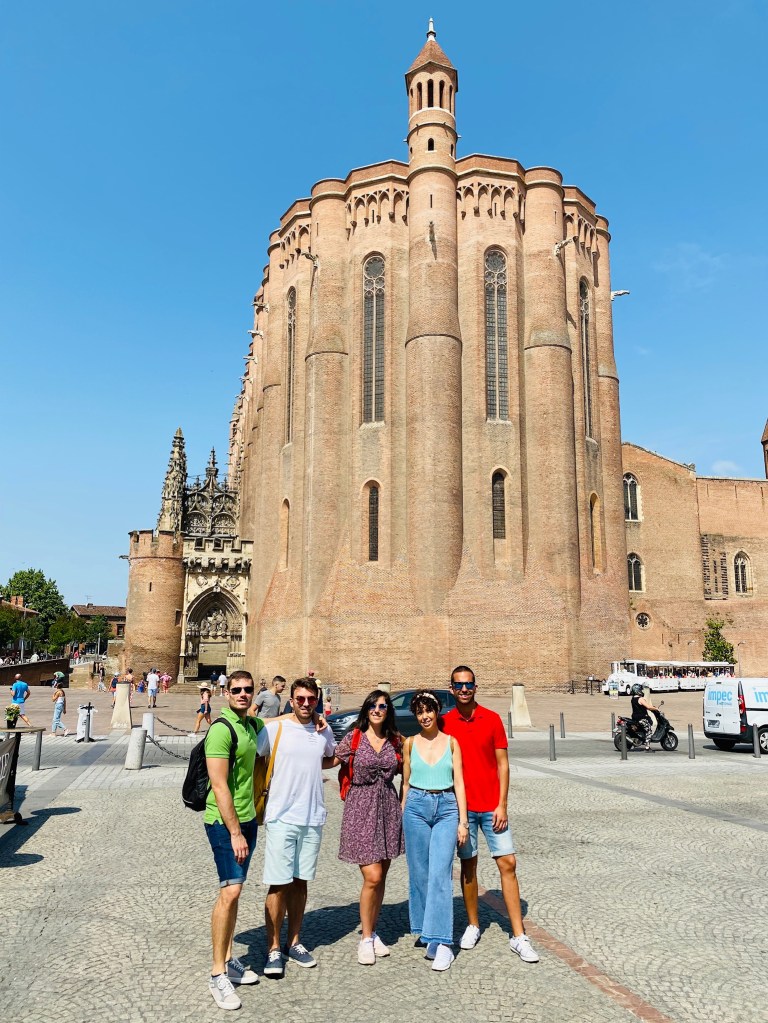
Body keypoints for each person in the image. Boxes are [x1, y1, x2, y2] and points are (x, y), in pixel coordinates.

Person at [442, 665, 540, 964]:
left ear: (475, 686)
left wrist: (503, 804)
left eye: (468, 684)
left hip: (492, 807)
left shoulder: (492, 719)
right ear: (451, 688)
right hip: (464, 809)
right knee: (468, 866)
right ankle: (473, 924)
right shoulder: (445, 722)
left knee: (508, 863)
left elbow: (503, 765)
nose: (464, 690)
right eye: (458, 686)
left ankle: (518, 935)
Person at [257, 677, 335, 978]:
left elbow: (330, 757)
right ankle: (273, 947)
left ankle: (294, 941)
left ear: (317, 700)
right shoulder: (274, 728)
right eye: (300, 699)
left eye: (311, 699)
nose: (305, 704)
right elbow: (253, 744)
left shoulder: (323, 729)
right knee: (278, 884)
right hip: (281, 816)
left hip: (312, 816)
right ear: (291, 699)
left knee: (300, 882)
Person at [329, 689, 404, 965]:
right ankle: (364, 939)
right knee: (372, 876)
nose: (377, 709)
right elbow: (330, 760)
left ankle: (372, 933)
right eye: (372, 705)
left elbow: (409, 769)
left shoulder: (395, 740)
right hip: (360, 810)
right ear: (366, 709)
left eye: (382, 706)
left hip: (387, 810)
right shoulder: (354, 737)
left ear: (388, 711)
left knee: (381, 876)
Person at [204, 669, 262, 1010]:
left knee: (235, 887)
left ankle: (228, 959)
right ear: (226, 693)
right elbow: (219, 784)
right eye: (236, 690)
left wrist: (313, 716)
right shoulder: (220, 730)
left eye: (247, 690)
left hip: (248, 819)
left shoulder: (252, 726)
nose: (242, 694)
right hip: (224, 823)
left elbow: (280, 721)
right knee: (231, 890)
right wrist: (236, 831)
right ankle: (216, 975)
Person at [401, 689, 468, 972]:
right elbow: (405, 783)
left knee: (441, 873)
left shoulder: (452, 743)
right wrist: (404, 810)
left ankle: (443, 943)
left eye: (429, 711)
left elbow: (460, 784)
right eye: (420, 712)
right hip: (416, 806)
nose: (425, 716)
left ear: (436, 712)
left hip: (446, 807)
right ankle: (428, 930)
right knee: (420, 872)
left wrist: (463, 822)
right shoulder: (409, 743)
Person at [630, 682, 659, 749]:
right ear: (637, 691)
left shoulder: (633, 699)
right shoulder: (640, 699)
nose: (642, 691)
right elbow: (648, 707)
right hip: (641, 718)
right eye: (640, 690)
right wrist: (655, 708)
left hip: (635, 717)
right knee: (649, 731)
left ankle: (640, 740)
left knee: (643, 728)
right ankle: (647, 746)